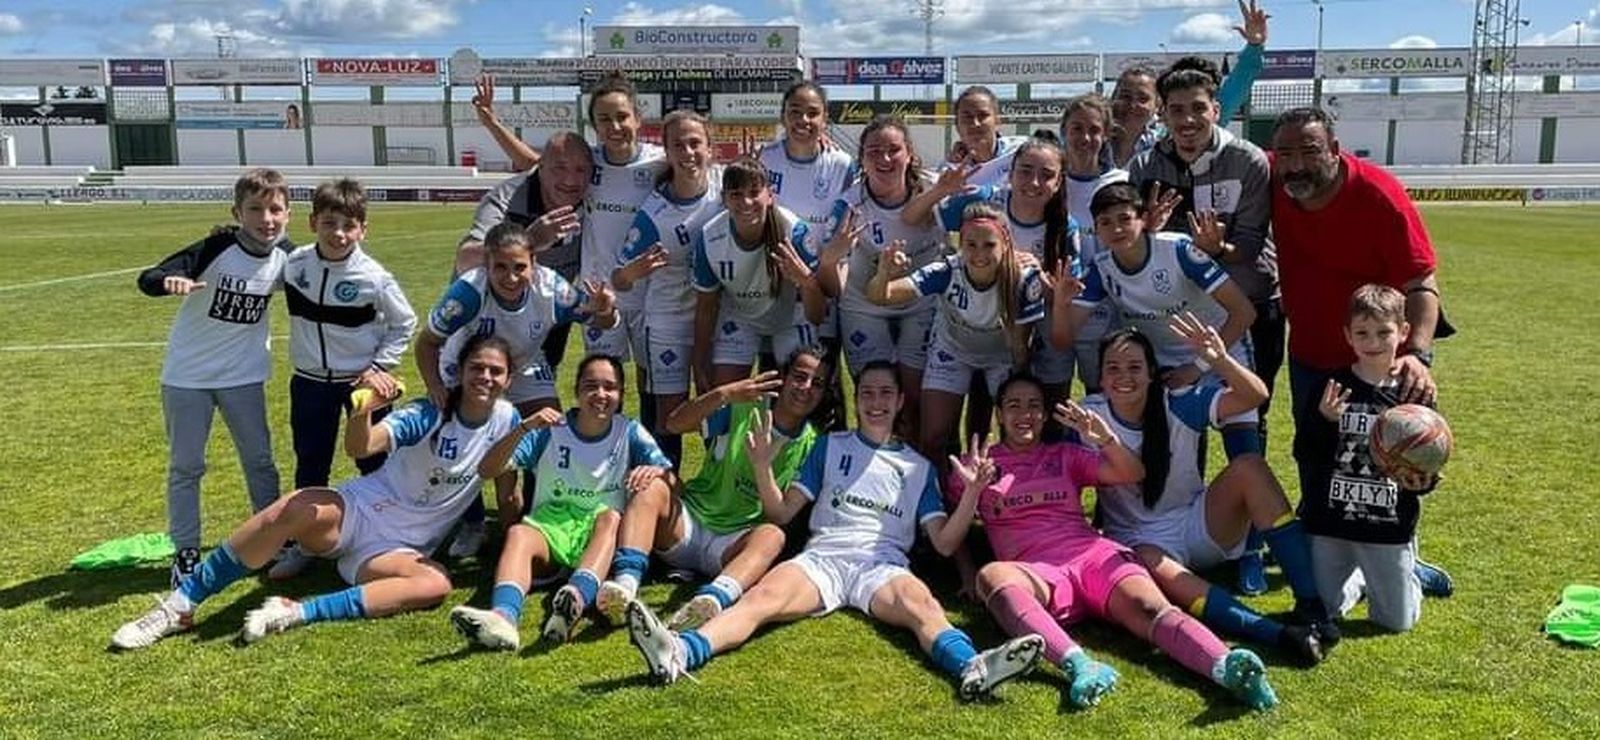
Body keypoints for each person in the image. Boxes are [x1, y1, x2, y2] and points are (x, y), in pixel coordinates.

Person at [622, 361, 1046, 699]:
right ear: (856, 400)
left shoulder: (918, 467)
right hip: (822, 559)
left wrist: (971, 494)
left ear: (900, 401)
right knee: (761, 600)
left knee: (923, 607)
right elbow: (781, 513)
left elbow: (945, 541)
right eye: (866, 393)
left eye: (885, 394)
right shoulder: (828, 445)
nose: (875, 402)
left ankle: (973, 667)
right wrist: (762, 468)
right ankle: (678, 652)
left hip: (881, 566)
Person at [110, 335, 521, 649]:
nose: (485, 377)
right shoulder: (432, 410)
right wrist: (364, 411)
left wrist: (512, 539)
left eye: (495, 371)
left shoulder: (508, 421)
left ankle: (294, 611)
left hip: (395, 551)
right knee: (299, 505)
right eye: (476, 367)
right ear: (461, 371)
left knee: (434, 585)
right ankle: (179, 606)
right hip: (360, 511)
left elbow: (505, 488)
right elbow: (361, 448)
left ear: (508, 378)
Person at [955, 373, 1280, 710]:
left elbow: (1132, 473)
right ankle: (1080, 665)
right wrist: (967, 570)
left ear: (1044, 414)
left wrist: (1107, 439)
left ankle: (1226, 667)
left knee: (1152, 609)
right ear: (998, 414)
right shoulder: (977, 464)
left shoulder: (1064, 454)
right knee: (992, 576)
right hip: (1034, 570)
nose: (1025, 414)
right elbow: (951, 535)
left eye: (1034, 406)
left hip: (1091, 555)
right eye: (1014, 406)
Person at [1269, 106, 1453, 597]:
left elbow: (1421, 282)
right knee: (1316, 454)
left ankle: (1403, 556)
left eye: (1309, 151)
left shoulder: (1378, 195)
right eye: (1285, 153)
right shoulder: (1277, 179)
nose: (1295, 165)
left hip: (1380, 360)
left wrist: (1416, 354)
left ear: (1334, 149)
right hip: (1311, 352)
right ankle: (1324, 546)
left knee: (1391, 462)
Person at [1079, 324, 1334, 661]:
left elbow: (1254, 396)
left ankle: (1311, 604)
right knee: (1153, 563)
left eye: (1135, 367)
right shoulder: (1086, 417)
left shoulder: (1178, 402)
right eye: (1112, 368)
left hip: (1199, 523)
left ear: (1152, 373)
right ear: (1099, 375)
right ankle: (1277, 633)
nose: (1123, 376)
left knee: (1249, 467)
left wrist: (1221, 360)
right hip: (1140, 541)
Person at [476, 72, 668, 445]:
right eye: (604, 119)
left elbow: (702, 167)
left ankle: (648, 463)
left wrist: (819, 144)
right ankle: (605, 459)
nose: (614, 126)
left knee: (652, 388)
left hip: (652, 296)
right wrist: (490, 122)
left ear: (637, 118)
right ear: (593, 125)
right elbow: (535, 162)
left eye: (621, 117)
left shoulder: (660, 162)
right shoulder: (586, 166)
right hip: (598, 299)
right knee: (604, 386)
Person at [593, 346, 830, 629]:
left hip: (731, 546)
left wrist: (762, 464)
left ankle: (711, 601)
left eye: (817, 383)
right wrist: (725, 394)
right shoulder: (743, 408)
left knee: (772, 536)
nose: (805, 388)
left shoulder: (813, 444)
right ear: (784, 378)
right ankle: (625, 588)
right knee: (652, 484)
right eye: (800, 377)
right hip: (689, 526)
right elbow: (673, 423)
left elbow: (779, 514)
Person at [417, 222, 618, 556]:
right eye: (500, 267)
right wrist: (436, 386)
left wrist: (604, 308)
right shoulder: (467, 293)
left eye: (520, 267)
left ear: (534, 264)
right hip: (470, 370)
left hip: (523, 366)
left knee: (552, 430)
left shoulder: (551, 289)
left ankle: (539, 515)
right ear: (486, 264)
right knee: (470, 446)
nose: (510, 277)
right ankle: (474, 523)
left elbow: (604, 321)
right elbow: (427, 343)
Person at [448, 355, 673, 649]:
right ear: (577, 390)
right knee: (518, 533)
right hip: (550, 531)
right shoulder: (550, 428)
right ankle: (503, 619)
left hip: (599, 538)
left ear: (621, 394)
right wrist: (523, 428)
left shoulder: (628, 431)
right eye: (591, 386)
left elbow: (669, 481)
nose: (600, 395)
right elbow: (486, 470)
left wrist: (657, 471)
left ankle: (573, 601)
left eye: (610, 387)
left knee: (611, 518)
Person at [135, 168, 291, 588]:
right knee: (186, 467)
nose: (266, 219)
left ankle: (273, 540)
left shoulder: (287, 258)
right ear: (237, 212)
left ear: (288, 214)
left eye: (275, 209)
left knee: (260, 463)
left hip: (244, 377)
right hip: (187, 378)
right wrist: (168, 282)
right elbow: (148, 278)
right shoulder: (216, 248)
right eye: (255, 209)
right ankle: (186, 553)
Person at [272, 179, 417, 579]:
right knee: (310, 463)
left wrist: (381, 367)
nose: (339, 234)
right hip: (309, 381)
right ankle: (305, 544)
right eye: (330, 223)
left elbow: (405, 323)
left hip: (361, 385)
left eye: (349, 226)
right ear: (312, 222)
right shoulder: (295, 264)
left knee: (376, 463)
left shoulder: (375, 277)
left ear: (363, 230)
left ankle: (389, 535)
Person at [904, 136, 1080, 414]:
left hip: (1032, 326)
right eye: (1025, 171)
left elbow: (1063, 299)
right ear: (1010, 173)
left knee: (1042, 415)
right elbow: (912, 217)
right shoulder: (985, 201)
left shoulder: (1065, 228)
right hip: (972, 324)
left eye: (1046, 175)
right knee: (951, 423)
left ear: (1059, 183)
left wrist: (1037, 277)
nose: (1034, 182)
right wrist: (940, 191)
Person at [1301, 285, 1440, 633]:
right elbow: (1304, 452)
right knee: (1323, 611)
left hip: (1386, 526)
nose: (1372, 341)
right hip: (1331, 523)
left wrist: (1424, 482)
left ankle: (1409, 572)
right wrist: (1324, 421)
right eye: (1362, 332)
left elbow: (1427, 457)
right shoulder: (1331, 385)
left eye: (1383, 332)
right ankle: (1361, 580)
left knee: (1395, 623)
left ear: (1404, 332)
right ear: (1348, 335)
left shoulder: (1412, 393)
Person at [868, 202, 1044, 465]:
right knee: (933, 437)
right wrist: (884, 273)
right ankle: (938, 500)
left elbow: (1019, 347)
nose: (979, 254)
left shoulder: (1024, 280)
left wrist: (1016, 390)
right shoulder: (947, 270)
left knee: (1011, 435)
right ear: (961, 244)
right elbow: (879, 297)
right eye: (971, 245)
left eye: (989, 245)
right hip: (952, 350)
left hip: (1001, 356)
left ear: (1005, 243)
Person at [817, 115, 944, 437]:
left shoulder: (935, 189)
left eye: (893, 150)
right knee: (875, 398)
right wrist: (831, 262)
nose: (884, 159)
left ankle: (915, 475)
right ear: (861, 158)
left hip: (920, 303)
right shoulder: (849, 204)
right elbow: (834, 287)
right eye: (874, 151)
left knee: (912, 398)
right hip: (863, 305)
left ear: (909, 154)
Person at [613, 110, 724, 465]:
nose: (688, 152)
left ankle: (717, 494)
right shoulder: (654, 212)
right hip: (668, 323)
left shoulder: (726, 188)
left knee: (717, 407)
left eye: (696, 143)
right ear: (667, 152)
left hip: (721, 322)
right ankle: (663, 495)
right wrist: (635, 270)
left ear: (710, 148)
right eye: (679, 145)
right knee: (668, 419)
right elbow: (618, 278)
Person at [757, 80, 857, 431]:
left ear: (825, 118)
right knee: (777, 382)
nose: (803, 120)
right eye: (794, 112)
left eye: (812, 113)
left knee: (823, 383)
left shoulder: (843, 164)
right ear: (783, 116)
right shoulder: (765, 158)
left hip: (823, 290)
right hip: (776, 290)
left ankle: (827, 462)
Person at [692, 157, 827, 390]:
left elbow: (817, 315)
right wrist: (700, 361)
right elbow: (706, 306)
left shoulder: (794, 232)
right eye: (735, 194)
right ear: (724, 199)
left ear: (770, 195)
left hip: (791, 319)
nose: (746, 202)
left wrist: (806, 282)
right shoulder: (710, 237)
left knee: (801, 393)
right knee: (723, 400)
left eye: (754, 192)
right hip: (741, 317)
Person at [1108, 0, 1270, 168]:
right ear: (1113, 98)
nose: (1132, 105)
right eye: (1125, 96)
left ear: (1158, 107)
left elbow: (1230, 96)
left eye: (1143, 98)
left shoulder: (1171, 140)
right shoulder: (1092, 137)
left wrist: (1254, 47)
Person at [1058, 95, 1128, 394]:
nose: (1085, 137)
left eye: (1094, 130)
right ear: (1064, 131)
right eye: (1076, 128)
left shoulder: (1122, 182)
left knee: (1101, 397)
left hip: (1106, 312)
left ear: (1106, 134)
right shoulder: (1048, 180)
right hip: (1056, 309)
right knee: (1051, 398)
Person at [943, 86, 1030, 189]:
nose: (975, 123)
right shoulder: (948, 172)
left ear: (997, 121)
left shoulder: (1023, 151)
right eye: (967, 117)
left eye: (983, 115)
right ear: (957, 125)